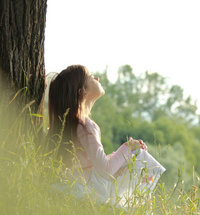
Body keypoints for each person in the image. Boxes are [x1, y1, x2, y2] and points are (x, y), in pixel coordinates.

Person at [48, 65, 165, 207]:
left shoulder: (68, 125)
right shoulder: (85, 126)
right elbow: (106, 171)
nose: (97, 78)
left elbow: (95, 164)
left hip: (72, 186)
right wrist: (127, 148)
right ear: (82, 92)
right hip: (87, 191)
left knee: (130, 154)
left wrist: (120, 153)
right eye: (91, 77)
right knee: (138, 155)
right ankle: (138, 210)